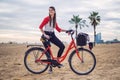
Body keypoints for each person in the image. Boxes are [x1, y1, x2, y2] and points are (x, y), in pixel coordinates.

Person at [39, 6, 67, 73]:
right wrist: (45, 35)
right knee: (49, 53)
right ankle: (50, 68)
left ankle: (57, 62)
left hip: (52, 35)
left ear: (54, 11)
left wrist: (67, 30)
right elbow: (40, 27)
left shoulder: (54, 20)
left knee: (62, 46)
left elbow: (58, 29)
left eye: (52, 10)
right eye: (49, 10)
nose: (50, 11)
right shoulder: (46, 18)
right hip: (45, 36)